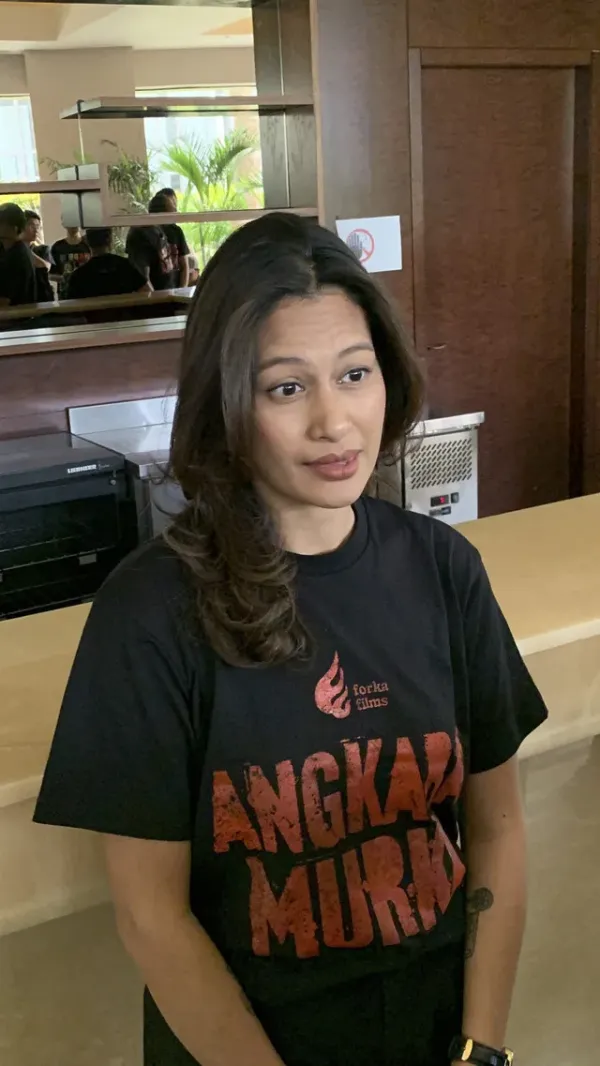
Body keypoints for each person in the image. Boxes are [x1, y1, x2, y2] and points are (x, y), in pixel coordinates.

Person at [34, 213, 548, 1066]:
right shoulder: (149, 611)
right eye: (285, 388)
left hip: (433, 1036)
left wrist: (480, 1050)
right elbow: (152, 917)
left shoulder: (442, 568)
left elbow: (495, 828)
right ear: (227, 400)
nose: (334, 422)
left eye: (354, 374)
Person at [66, 227, 151, 300]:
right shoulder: (125, 266)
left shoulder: (78, 275)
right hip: (124, 314)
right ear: (110, 239)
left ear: (87, 241)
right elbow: (147, 292)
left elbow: (70, 305)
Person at [152, 187, 191, 288]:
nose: (176, 210)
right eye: (172, 205)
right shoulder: (146, 233)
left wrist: (182, 290)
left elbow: (184, 266)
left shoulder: (176, 231)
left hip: (176, 290)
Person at [0, 202, 37, 307]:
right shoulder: (7, 249)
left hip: (16, 316)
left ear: (15, 228)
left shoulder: (16, 256)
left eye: (1, 223)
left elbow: (3, 302)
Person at [23, 209, 55, 303]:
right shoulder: (12, 251)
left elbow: (46, 266)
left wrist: (23, 248)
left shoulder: (42, 249)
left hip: (43, 298)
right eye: (31, 225)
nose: (36, 230)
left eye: (38, 226)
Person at [50, 225, 90, 298]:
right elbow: (51, 274)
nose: (73, 225)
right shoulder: (57, 247)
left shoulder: (88, 244)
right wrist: (65, 278)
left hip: (87, 292)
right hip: (66, 294)